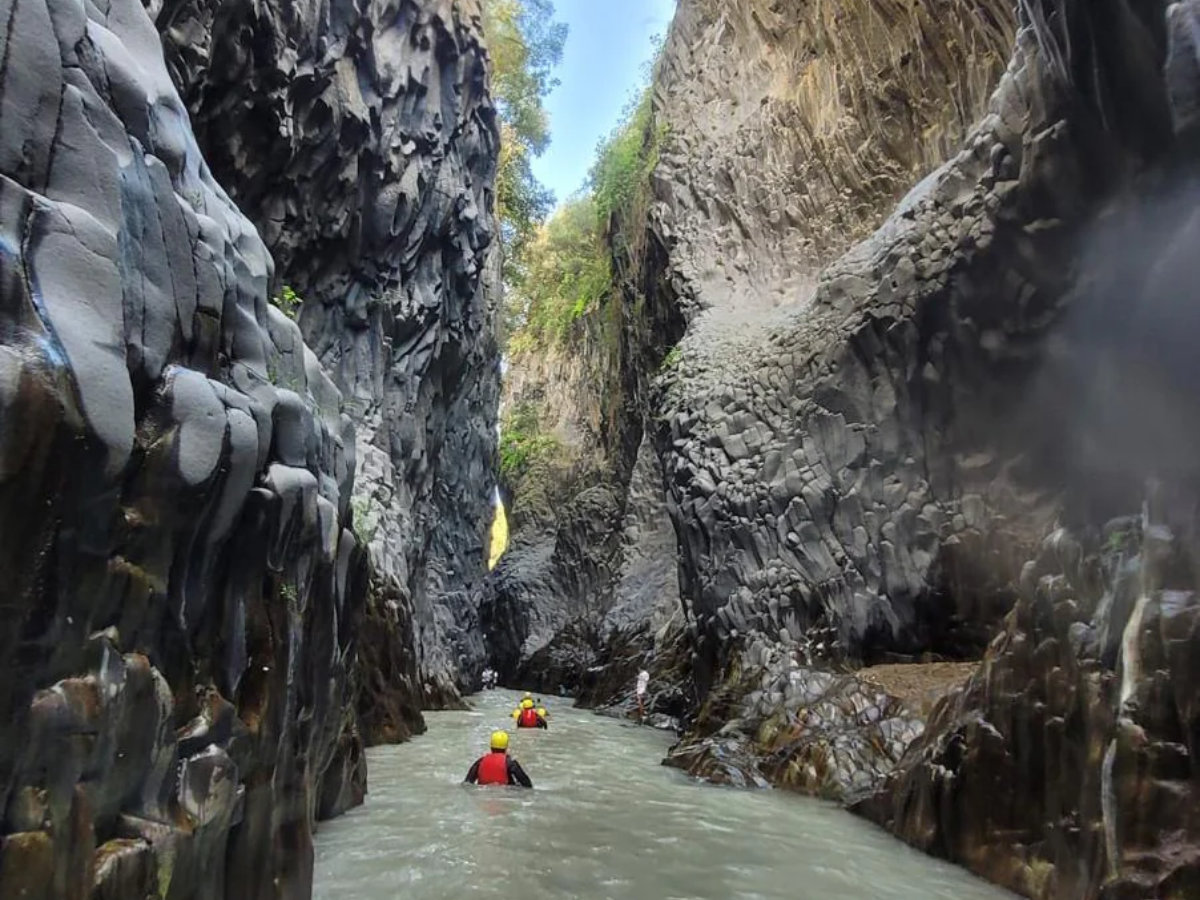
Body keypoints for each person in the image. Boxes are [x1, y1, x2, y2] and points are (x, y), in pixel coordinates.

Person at [464, 731, 533, 787]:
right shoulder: (510, 762)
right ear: (506, 747)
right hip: (505, 795)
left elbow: (467, 783)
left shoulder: (480, 761)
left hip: (484, 796)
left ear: (491, 746)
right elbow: (526, 784)